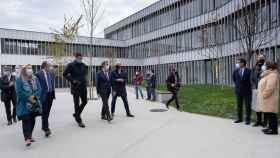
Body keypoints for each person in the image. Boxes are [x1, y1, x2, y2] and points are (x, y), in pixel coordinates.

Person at [15, 65, 42, 147]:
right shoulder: (19, 79)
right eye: (28, 68)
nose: (30, 70)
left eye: (31, 68)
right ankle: (27, 138)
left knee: (32, 120)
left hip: (34, 103)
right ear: (24, 70)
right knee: (26, 120)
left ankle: (30, 135)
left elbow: (39, 89)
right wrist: (28, 97)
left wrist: (34, 97)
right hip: (24, 103)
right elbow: (19, 92)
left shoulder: (35, 78)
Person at [63, 53, 88, 128]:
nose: (80, 59)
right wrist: (72, 80)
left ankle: (76, 114)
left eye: (81, 58)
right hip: (76, 87)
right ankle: (79, 120)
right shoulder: (71, 65)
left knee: (85, 101)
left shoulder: (83, 65)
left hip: (83, 87)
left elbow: (85, 74)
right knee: (76, 104)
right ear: (76, 57)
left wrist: (85, 81)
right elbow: (65, 74)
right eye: (79, 58)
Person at [257, 61, 279, 135]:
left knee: (272, 114)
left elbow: (270, 87)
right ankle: (270, 127)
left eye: (265, 65)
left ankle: (273, 130)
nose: (263, 66)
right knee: (269, 114)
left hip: (270, 98)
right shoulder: (268, 74)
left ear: (269, 66)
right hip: (267, 98)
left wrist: (264, 95)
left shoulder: (273, 75)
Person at [36, 61, 55, 137]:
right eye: (49, 66)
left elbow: (52, 83)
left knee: (47, 111)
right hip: (43, 95)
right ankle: (46, 128)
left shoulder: (51, 73)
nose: (50, 67)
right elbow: (37, 86)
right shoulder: (38, 74)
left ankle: (44, 125)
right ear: (45, 66)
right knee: (45, 111)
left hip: (50, 94)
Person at [232, 58, 252, 125]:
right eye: (238, 62)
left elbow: (251, 80)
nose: (238, 64)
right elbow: (234, 79)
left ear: (243, 63)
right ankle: (239, 118)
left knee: (247, 106)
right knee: (239, 105)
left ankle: (247, 119)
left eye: (239, 62)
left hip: (247, 91)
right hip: (238, 91)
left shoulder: (249, 71)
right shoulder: (235, 71)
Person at [250, 54, 266, 127]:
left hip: (263, 89)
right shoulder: (254, 66)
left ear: (264, 58)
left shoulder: (266, 66)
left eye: (261, 58)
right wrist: (253, 86)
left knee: (264, 105)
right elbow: (251, 77)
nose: (260, 59)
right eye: (259, 58)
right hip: (255, 89)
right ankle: (258, 121)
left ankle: (264, 121)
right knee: (257, 106)